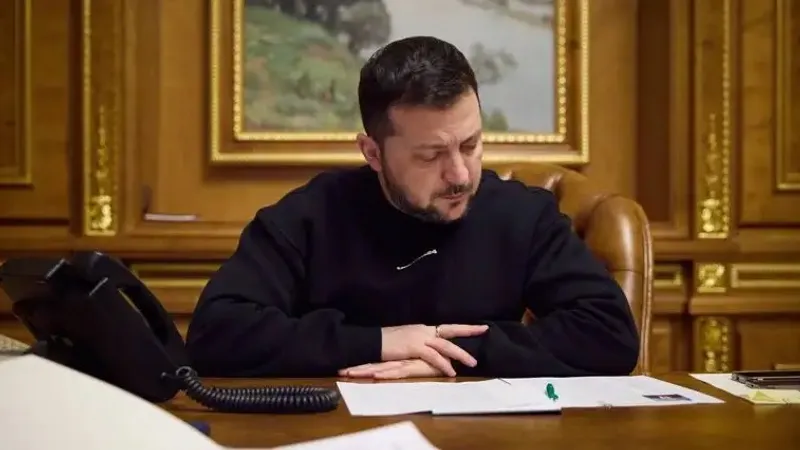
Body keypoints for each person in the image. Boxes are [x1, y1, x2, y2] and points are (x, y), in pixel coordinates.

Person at [185, 36, 640, 380]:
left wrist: (451, 353)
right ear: (373, 153)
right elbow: (216, 333)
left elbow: (610, 334)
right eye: (430, 155)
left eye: (470, 145)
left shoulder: (522, 216)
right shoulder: (311, 216)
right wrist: (378, 342)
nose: (459, 174)